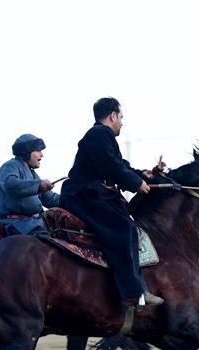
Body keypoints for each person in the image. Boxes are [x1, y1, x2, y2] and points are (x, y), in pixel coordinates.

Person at [60, 97, 163, 310]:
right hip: (84, 195)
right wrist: (136, 184)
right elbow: (111, 167)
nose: (122, 123)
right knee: (123, 229)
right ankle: (133, 293)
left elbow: (118, 165)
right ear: (113, 115)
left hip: (89, 194)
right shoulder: (100, 133)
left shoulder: (100, 136)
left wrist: (142, 175)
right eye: (121, 118)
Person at [0, 134, 61, 237]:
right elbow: (11, 185)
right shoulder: (10, 166)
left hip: (33, 224)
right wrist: (39, 185)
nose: (42, 155)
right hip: (15, 225)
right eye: (38, 151)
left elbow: (50, 199)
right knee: (48, 241)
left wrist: (72, 200)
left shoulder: (33, 175)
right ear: (26, 152)